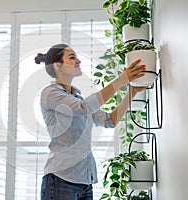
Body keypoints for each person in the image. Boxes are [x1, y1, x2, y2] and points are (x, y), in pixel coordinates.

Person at [34, 43, 146, 200]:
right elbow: (84, 107)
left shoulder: (77, 98)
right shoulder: (50, 93)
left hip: (85, 182)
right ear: (57, 66)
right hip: (60, 181)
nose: (78, 61)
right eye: (72, 57)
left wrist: (131, 92)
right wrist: (121, 80)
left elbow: (109, 120)